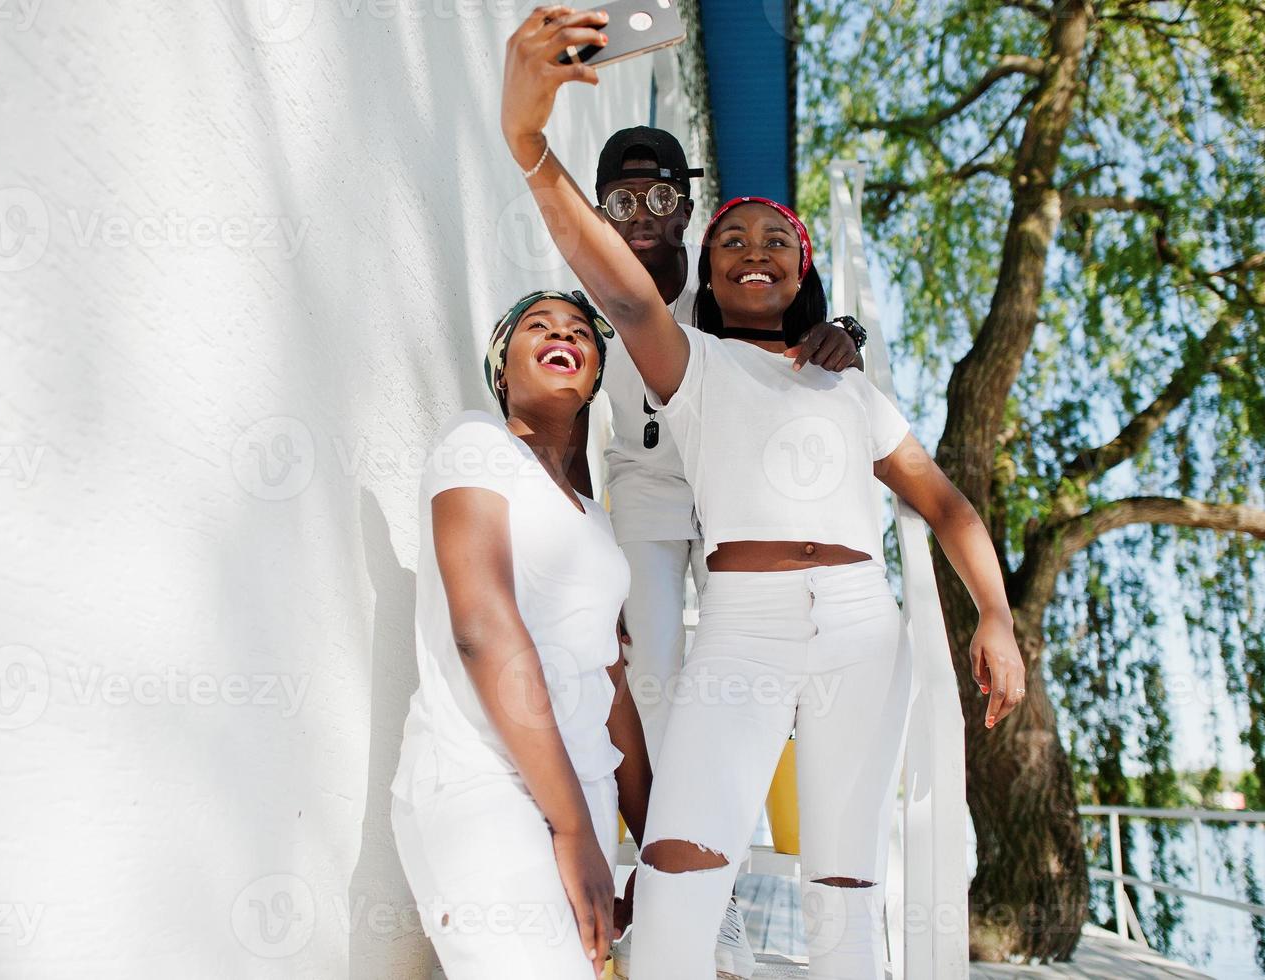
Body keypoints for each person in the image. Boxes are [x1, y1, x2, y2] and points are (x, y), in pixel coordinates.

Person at [501, 9, 1028, 978]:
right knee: (678, 864)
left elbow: (947, 505)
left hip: (866, 628)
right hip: (741, 620)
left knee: (846, 887)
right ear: (706, 272)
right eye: (732, 238)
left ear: (804, 270)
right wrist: (529, 146)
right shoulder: (691, 359)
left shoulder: (850, 383)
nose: (752, 249)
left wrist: (995, 615)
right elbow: (618, 289)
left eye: (774, 239)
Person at [573, 127, 865, 980]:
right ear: (600, 212)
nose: (642, 216)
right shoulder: (594, 299)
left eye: (661, 197)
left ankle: (763, 899)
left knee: (754, 675)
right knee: (654, 678)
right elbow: (577, 430)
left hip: (735, 491)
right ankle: (704, 905)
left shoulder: (724, 279)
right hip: (649, 496)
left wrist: (844, 326)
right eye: (622, 200)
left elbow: (802, 330)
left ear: (687, 206)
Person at [389, 289, 655, 978]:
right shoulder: (475, 444)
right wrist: (571, 830)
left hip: (584, 799)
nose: (560, 333)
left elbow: (611, 680)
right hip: (484, 782)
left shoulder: (595, 523)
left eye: (579, 332)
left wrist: (650, 842)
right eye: (536, 326)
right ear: (501, 368)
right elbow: (481, 627)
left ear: (594, 376)